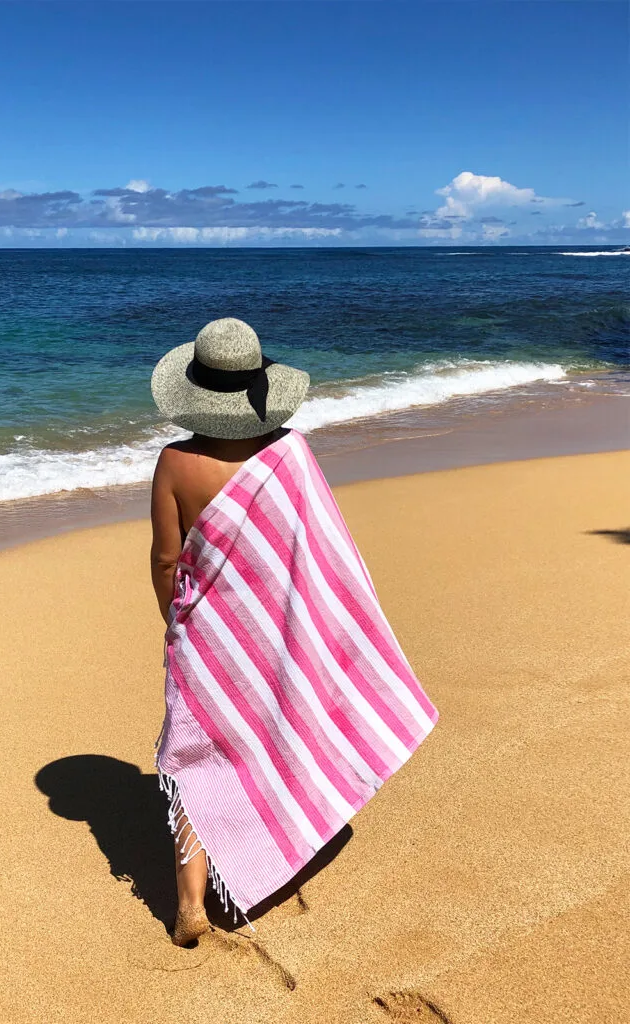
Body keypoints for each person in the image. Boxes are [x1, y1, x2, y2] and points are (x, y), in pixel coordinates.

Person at [149, 318, 438, 946]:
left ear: (194, 392)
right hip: (274, 628)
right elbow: (319, 548)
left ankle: (190, 902)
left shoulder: (175, 463)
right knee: (273, 727)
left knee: (194, 754)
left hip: (209, 632)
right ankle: (284, 829)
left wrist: (173, 620)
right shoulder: (291, 454)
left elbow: (168, 558)